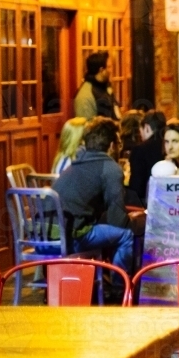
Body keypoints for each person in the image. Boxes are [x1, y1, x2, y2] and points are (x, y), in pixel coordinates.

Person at [52, 118, 139, 299]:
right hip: (71, 239)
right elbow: (117, 220)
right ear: (112, 145)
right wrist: (138, 219)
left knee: (108, 230)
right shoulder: (110, 168)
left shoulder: (75, 164)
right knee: (126, 235)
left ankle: (105, 284)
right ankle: (119, 289)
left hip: (45, 238)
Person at [128, 109, 167, 204]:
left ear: (146, 127)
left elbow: (137, 186)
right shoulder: (168, 145)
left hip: (147, 202)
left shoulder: (140, 149)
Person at [74, 52, 120, 120]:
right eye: (109, 67)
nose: (111, 70)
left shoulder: (106, 86)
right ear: (101, 70)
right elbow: (87, 127)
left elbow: (115, 110)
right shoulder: (85, 96)